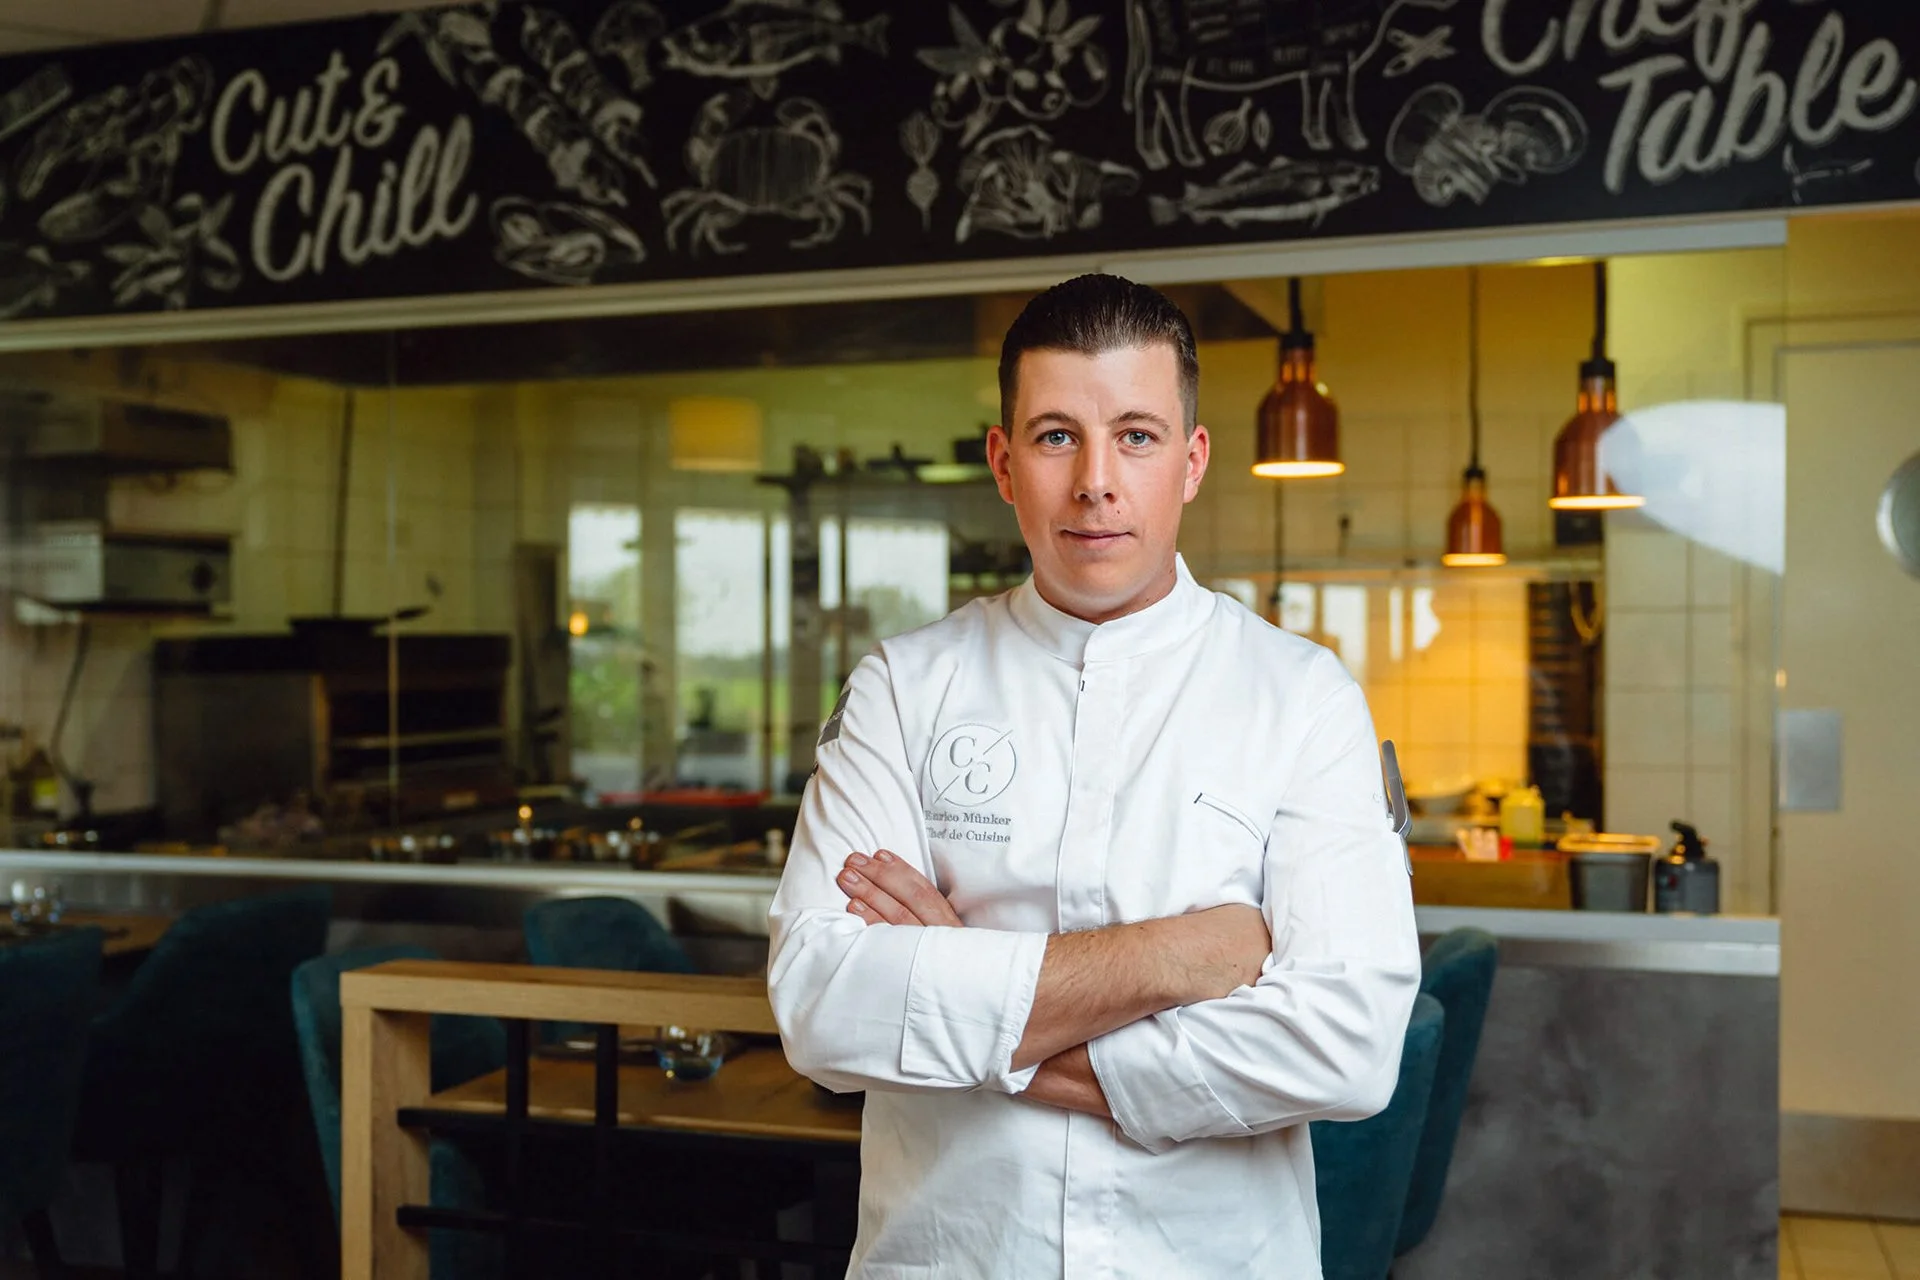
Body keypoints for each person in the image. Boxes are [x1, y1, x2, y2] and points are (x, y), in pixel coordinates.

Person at [767, 273, 1420, 1277]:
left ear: (1193, 461)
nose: (1097, 481)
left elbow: (1348, 1041)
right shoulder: (904, 686)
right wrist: (1181, 956)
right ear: (1003, 460)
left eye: (1138, 434)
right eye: (1057, 434)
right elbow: (821, 1003)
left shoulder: (1302, 696)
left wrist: (960, 976)